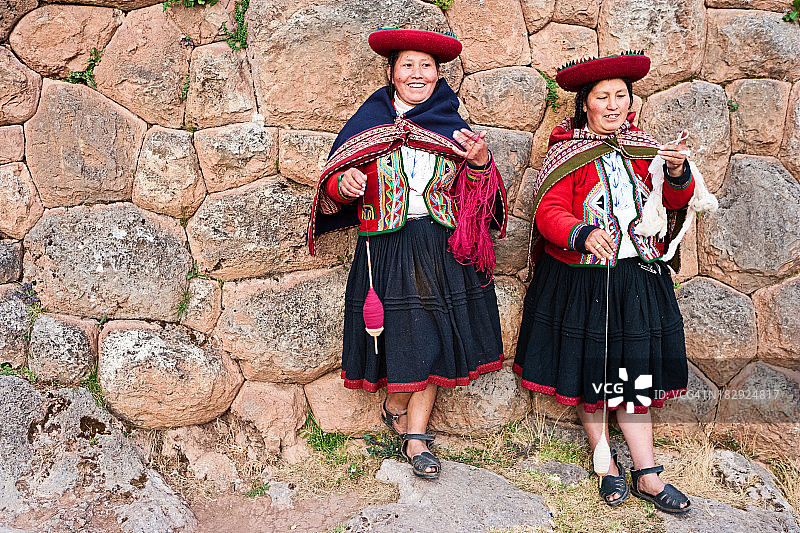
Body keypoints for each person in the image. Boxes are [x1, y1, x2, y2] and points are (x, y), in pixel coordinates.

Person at [514, 52, 714, 513]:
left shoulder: (643, 151)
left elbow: (669, 200)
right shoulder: (568, 155)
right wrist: (582, 233)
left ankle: (646, 471)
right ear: (585, 104)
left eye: (620, 95)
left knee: (634, 373)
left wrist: (678, 170)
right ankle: (606, 464)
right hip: (582, 279)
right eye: (602, 97)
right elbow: (549, 212)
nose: (612, 104)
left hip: (636, 277)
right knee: (595, 372)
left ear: (631, 101)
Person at [308, 27, 507, 479]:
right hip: (386, 246)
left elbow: (481, 200)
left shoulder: (452, 127)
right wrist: (346, 184)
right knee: (398, 336)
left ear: (438, 74)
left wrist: (478, 164)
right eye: (408, 66)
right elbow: (331, 187)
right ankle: (396, 405)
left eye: (426, 66)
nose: (417, 74)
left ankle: (416, 436)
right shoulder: (368, 124)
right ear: (392, 72)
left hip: (440, 246)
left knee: (434, 338)